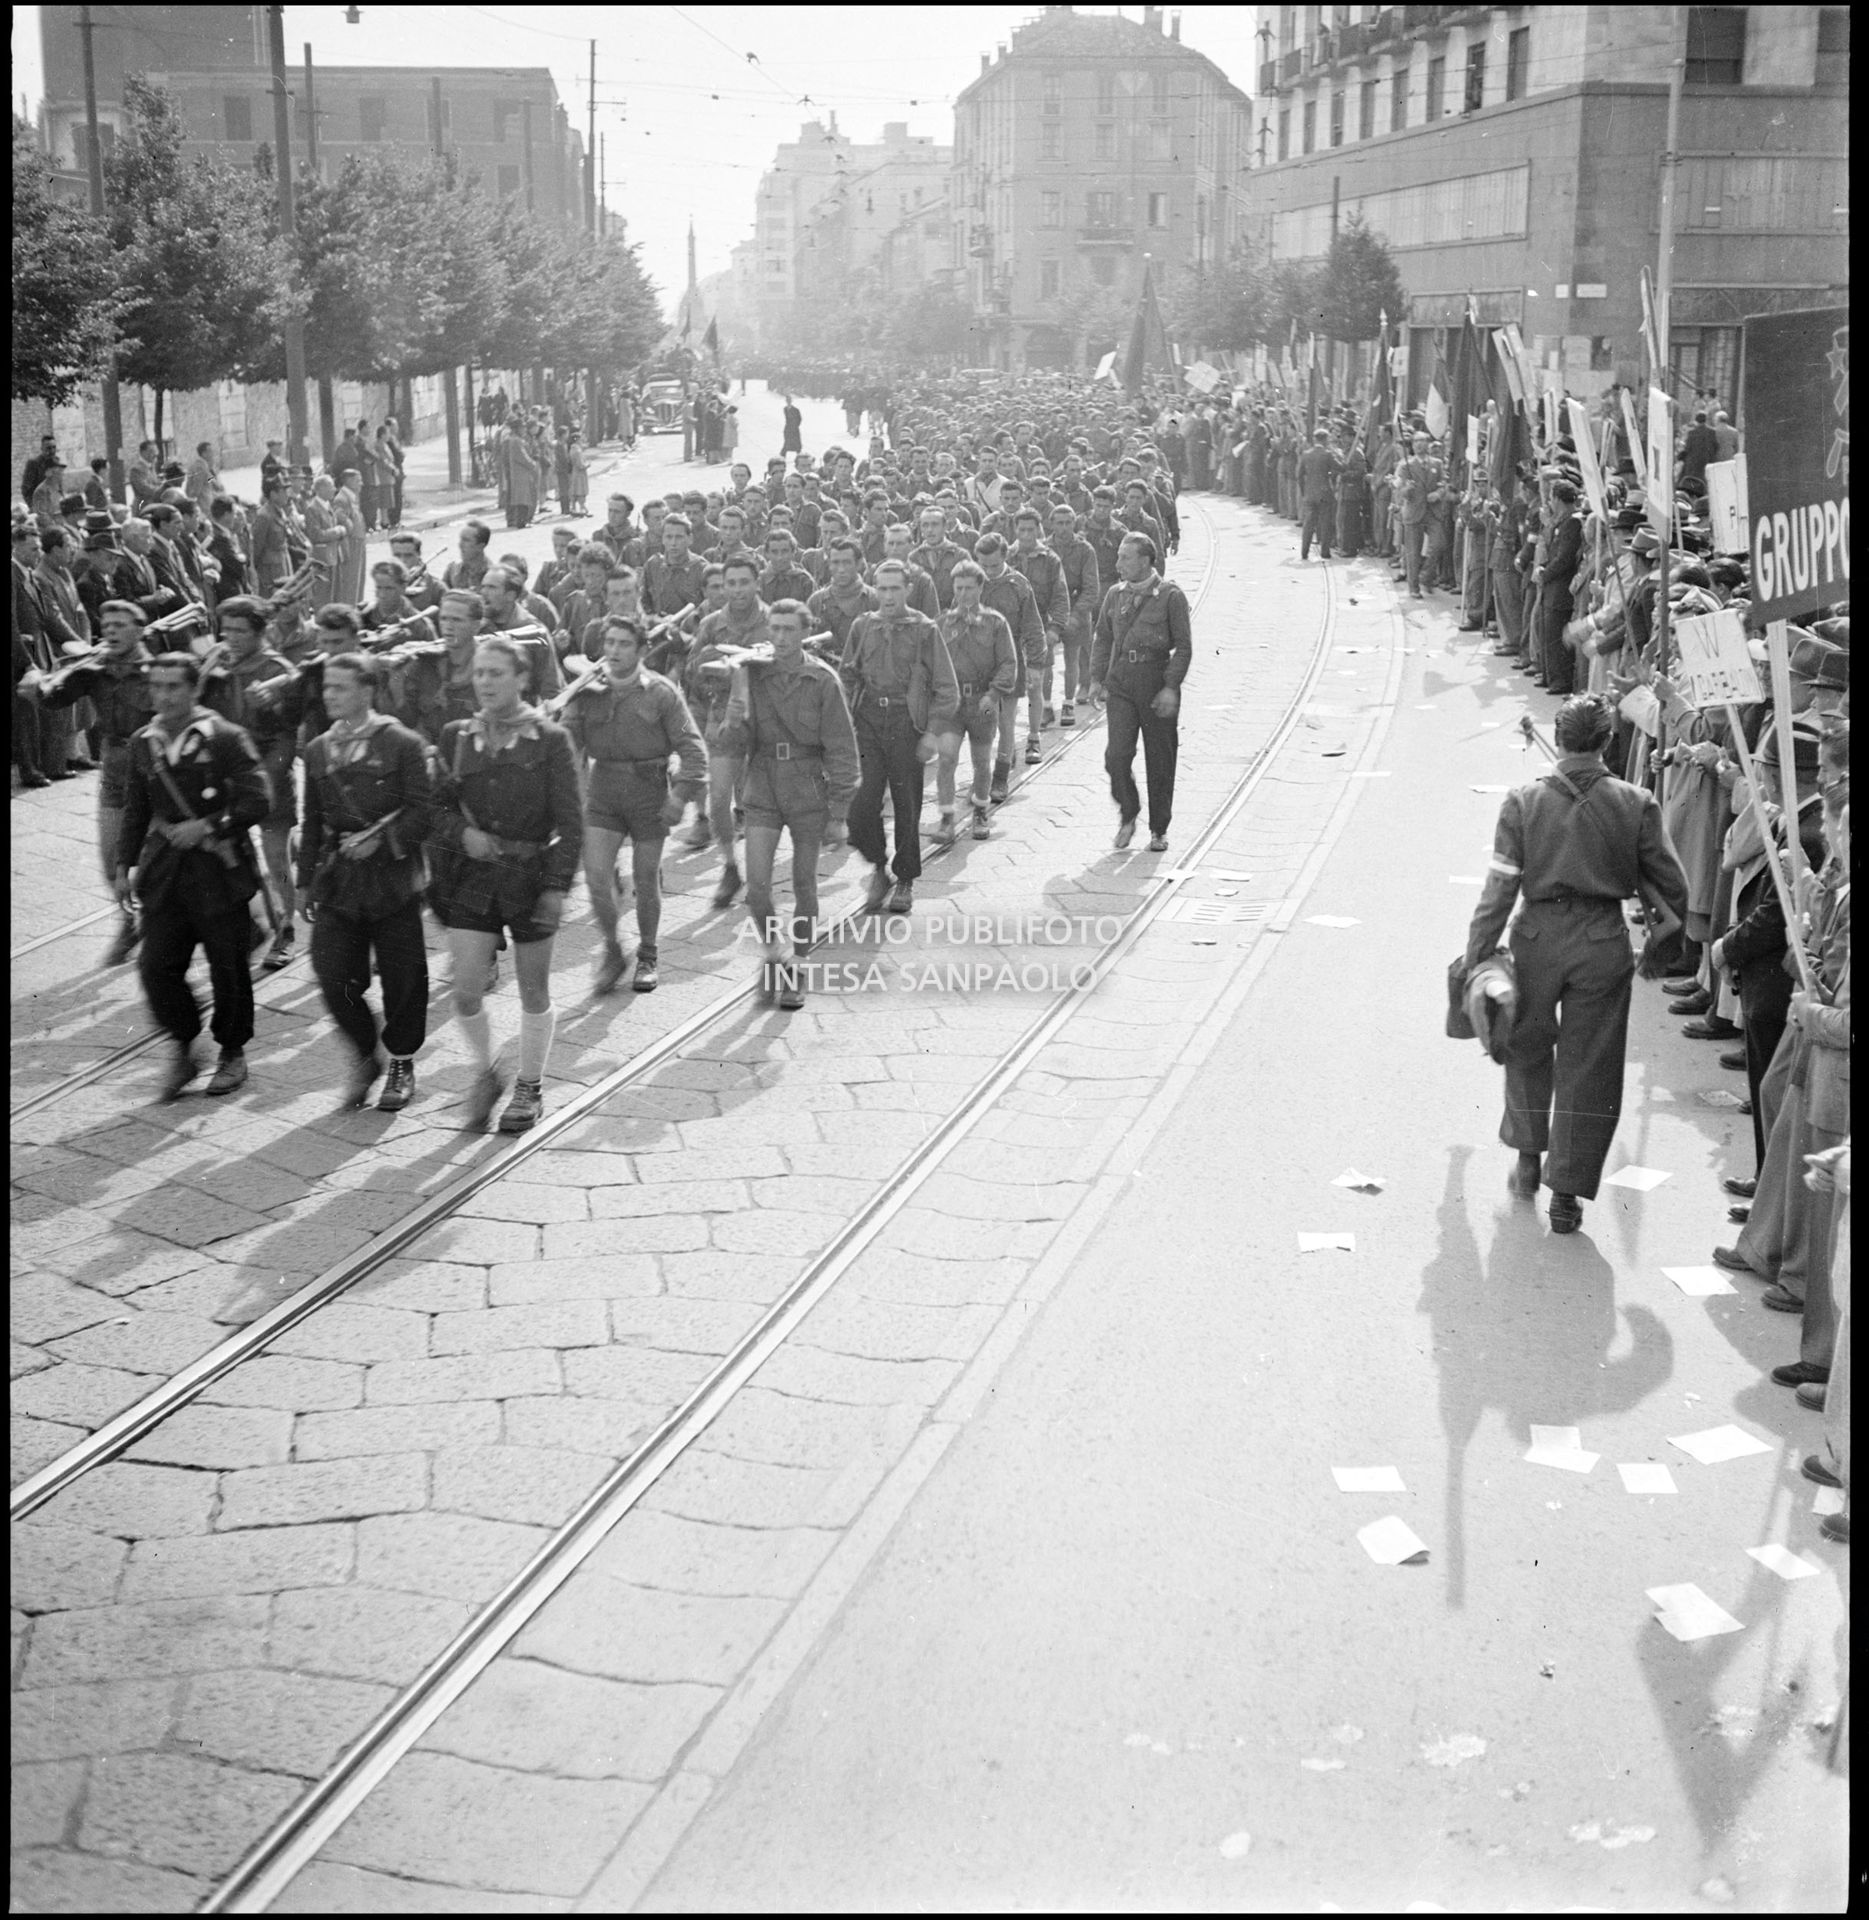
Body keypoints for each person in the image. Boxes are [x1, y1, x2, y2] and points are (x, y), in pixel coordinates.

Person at [1461, 693, 1690, 1234]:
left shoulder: (1523, 802)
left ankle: (1527, 1158)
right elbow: (1673, 887)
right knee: (1591, 1067)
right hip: (1603, 941)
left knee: (1526, 1044)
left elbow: (1499, 889)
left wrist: (1477, 954)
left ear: (1559, 739)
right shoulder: (1636, 802)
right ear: (1607, 741)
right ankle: (1566, 1192)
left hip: (1537, 938)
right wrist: (1660, 951)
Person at [427, 635, 583, 1131]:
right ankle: (487, 1070)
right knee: (465, 993)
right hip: (474, 880)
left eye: (496, 673)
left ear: (522, 679)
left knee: (533, 990)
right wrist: (463, 833)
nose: (485, 682)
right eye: (479, 673)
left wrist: (556, 888)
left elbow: (572, 824)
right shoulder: (457, 736)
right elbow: (436, 808)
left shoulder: (550, 739)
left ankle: (530, 1087)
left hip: (532, 878)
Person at [116, 651, 270, 1098]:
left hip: (218, 872)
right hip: (166, 874)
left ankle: (232, 1053)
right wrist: (123, 867)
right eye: (156, 687)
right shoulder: (144, 741)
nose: (163, 696)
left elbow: (258, 800)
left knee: (229, 968)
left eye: (173, 687)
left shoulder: (225, 737)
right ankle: (184, 1042)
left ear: (195, 688)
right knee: (155, 967)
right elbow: (136, 809)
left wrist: (207, 826)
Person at [298, 652, 435, 1110]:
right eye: (326, 687)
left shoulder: (401, 743)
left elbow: (423, 809)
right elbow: (312, 819)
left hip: (392, 880)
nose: (329, 695)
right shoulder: (319, 749)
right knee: (332, 973)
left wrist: (384, 841)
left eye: (339, 687)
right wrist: (304, 882)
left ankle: (401, 1062)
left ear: (367, 690)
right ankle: (363, 1051)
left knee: (403, 978)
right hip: (340, 879)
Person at [715, 598, 859, 1009]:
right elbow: (733, 743)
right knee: (757, 888)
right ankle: (774, 954)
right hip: (762, 785)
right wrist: (733, 718)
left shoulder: (822, 680)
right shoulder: (751, 674)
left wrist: (839, 813)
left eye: (788, 629)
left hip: (807, 788)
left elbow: (842, 749)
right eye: (774, 628)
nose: (779, 637)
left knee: (803, 884)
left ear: (805, 633)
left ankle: (797, 966)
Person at [561, 615, 707, 995]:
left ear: (642, 650)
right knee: (596, 877)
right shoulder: (588, 690)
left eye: (624, 644)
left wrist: (679, 797)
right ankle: (613, 949)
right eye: (609, 642)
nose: (614, 650)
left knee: (645, 878)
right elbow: (566, 743)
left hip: (649, 791)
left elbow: (694, 751)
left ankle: (648, 954)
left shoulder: (661, 693)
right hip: (604, 789)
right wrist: (559, 713)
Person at [37, 600, 159, 961]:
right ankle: (130, 921)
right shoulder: (95, 670)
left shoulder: (158, 671)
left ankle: (157, 925)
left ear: (140, 630)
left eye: (120, 625)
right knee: (111, 860)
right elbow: (53, 699)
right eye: (106, 626)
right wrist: (39, 684)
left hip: (155, 775)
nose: (111, 631)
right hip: (115, 771)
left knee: (156, 861)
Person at [842, 559, 957, 913]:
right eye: (882, 588)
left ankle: (905, 877)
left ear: (908, 589)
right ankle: (879, 865)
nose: (888, 596)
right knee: (860, 806)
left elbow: (947, 688)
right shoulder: (863, 626)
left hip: (906, 723)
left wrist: (932, 733)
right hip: (868, 722)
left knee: (907, 804)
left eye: (895, 588)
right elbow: (847, 676)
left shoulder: (924, 630)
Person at [199, 595, 307, 972]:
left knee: (276, 858)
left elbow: (288, 736)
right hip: (228, 776)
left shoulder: (277, 670)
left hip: (268, 775)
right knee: (232, 856)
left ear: (261, 632)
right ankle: (257, 923)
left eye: (240, 630)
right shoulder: (218, 662)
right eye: (226, 629)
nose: (231, 637)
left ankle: (286, 930)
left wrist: (263, 777)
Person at [1088, 531, 1191, 853]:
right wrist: (1097, 678)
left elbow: (1184, 647)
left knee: (1160, 759)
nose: (1118, 564)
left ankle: (1159, 829)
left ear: (1145, 561)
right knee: (1116, 756)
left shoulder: (1171, 596)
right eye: (1119, 556)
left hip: (1156, 681)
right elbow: (1103, 638)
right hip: (1121, 682)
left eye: (1125, 558)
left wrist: (1171, 687)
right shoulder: (1115, 595)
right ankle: (1128, 811)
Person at [935, 560, 1020, 844]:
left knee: (981, 762)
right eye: (958, 588)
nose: (963, 594)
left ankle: (981, 810)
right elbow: (930, 663)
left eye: (969, 588)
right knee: (946, 758)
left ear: (981, 588)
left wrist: (993, 694)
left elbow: (1008, 663)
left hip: (982, 702)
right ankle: (947, 818)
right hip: (952, 704)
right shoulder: (942, 623)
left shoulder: (995, 623)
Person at [1297, 428, 1339, 561]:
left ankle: (1304, 552)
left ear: (1315, 439)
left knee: (1308, 524)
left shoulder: (1306, 454)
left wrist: (1304, 491)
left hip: (1310, 493)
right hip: (1324, 493)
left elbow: (1299, 475)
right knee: (1325, 523)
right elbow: (1341, 467)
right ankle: (1325, 552)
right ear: (1325, 440)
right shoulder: (1328, 454)